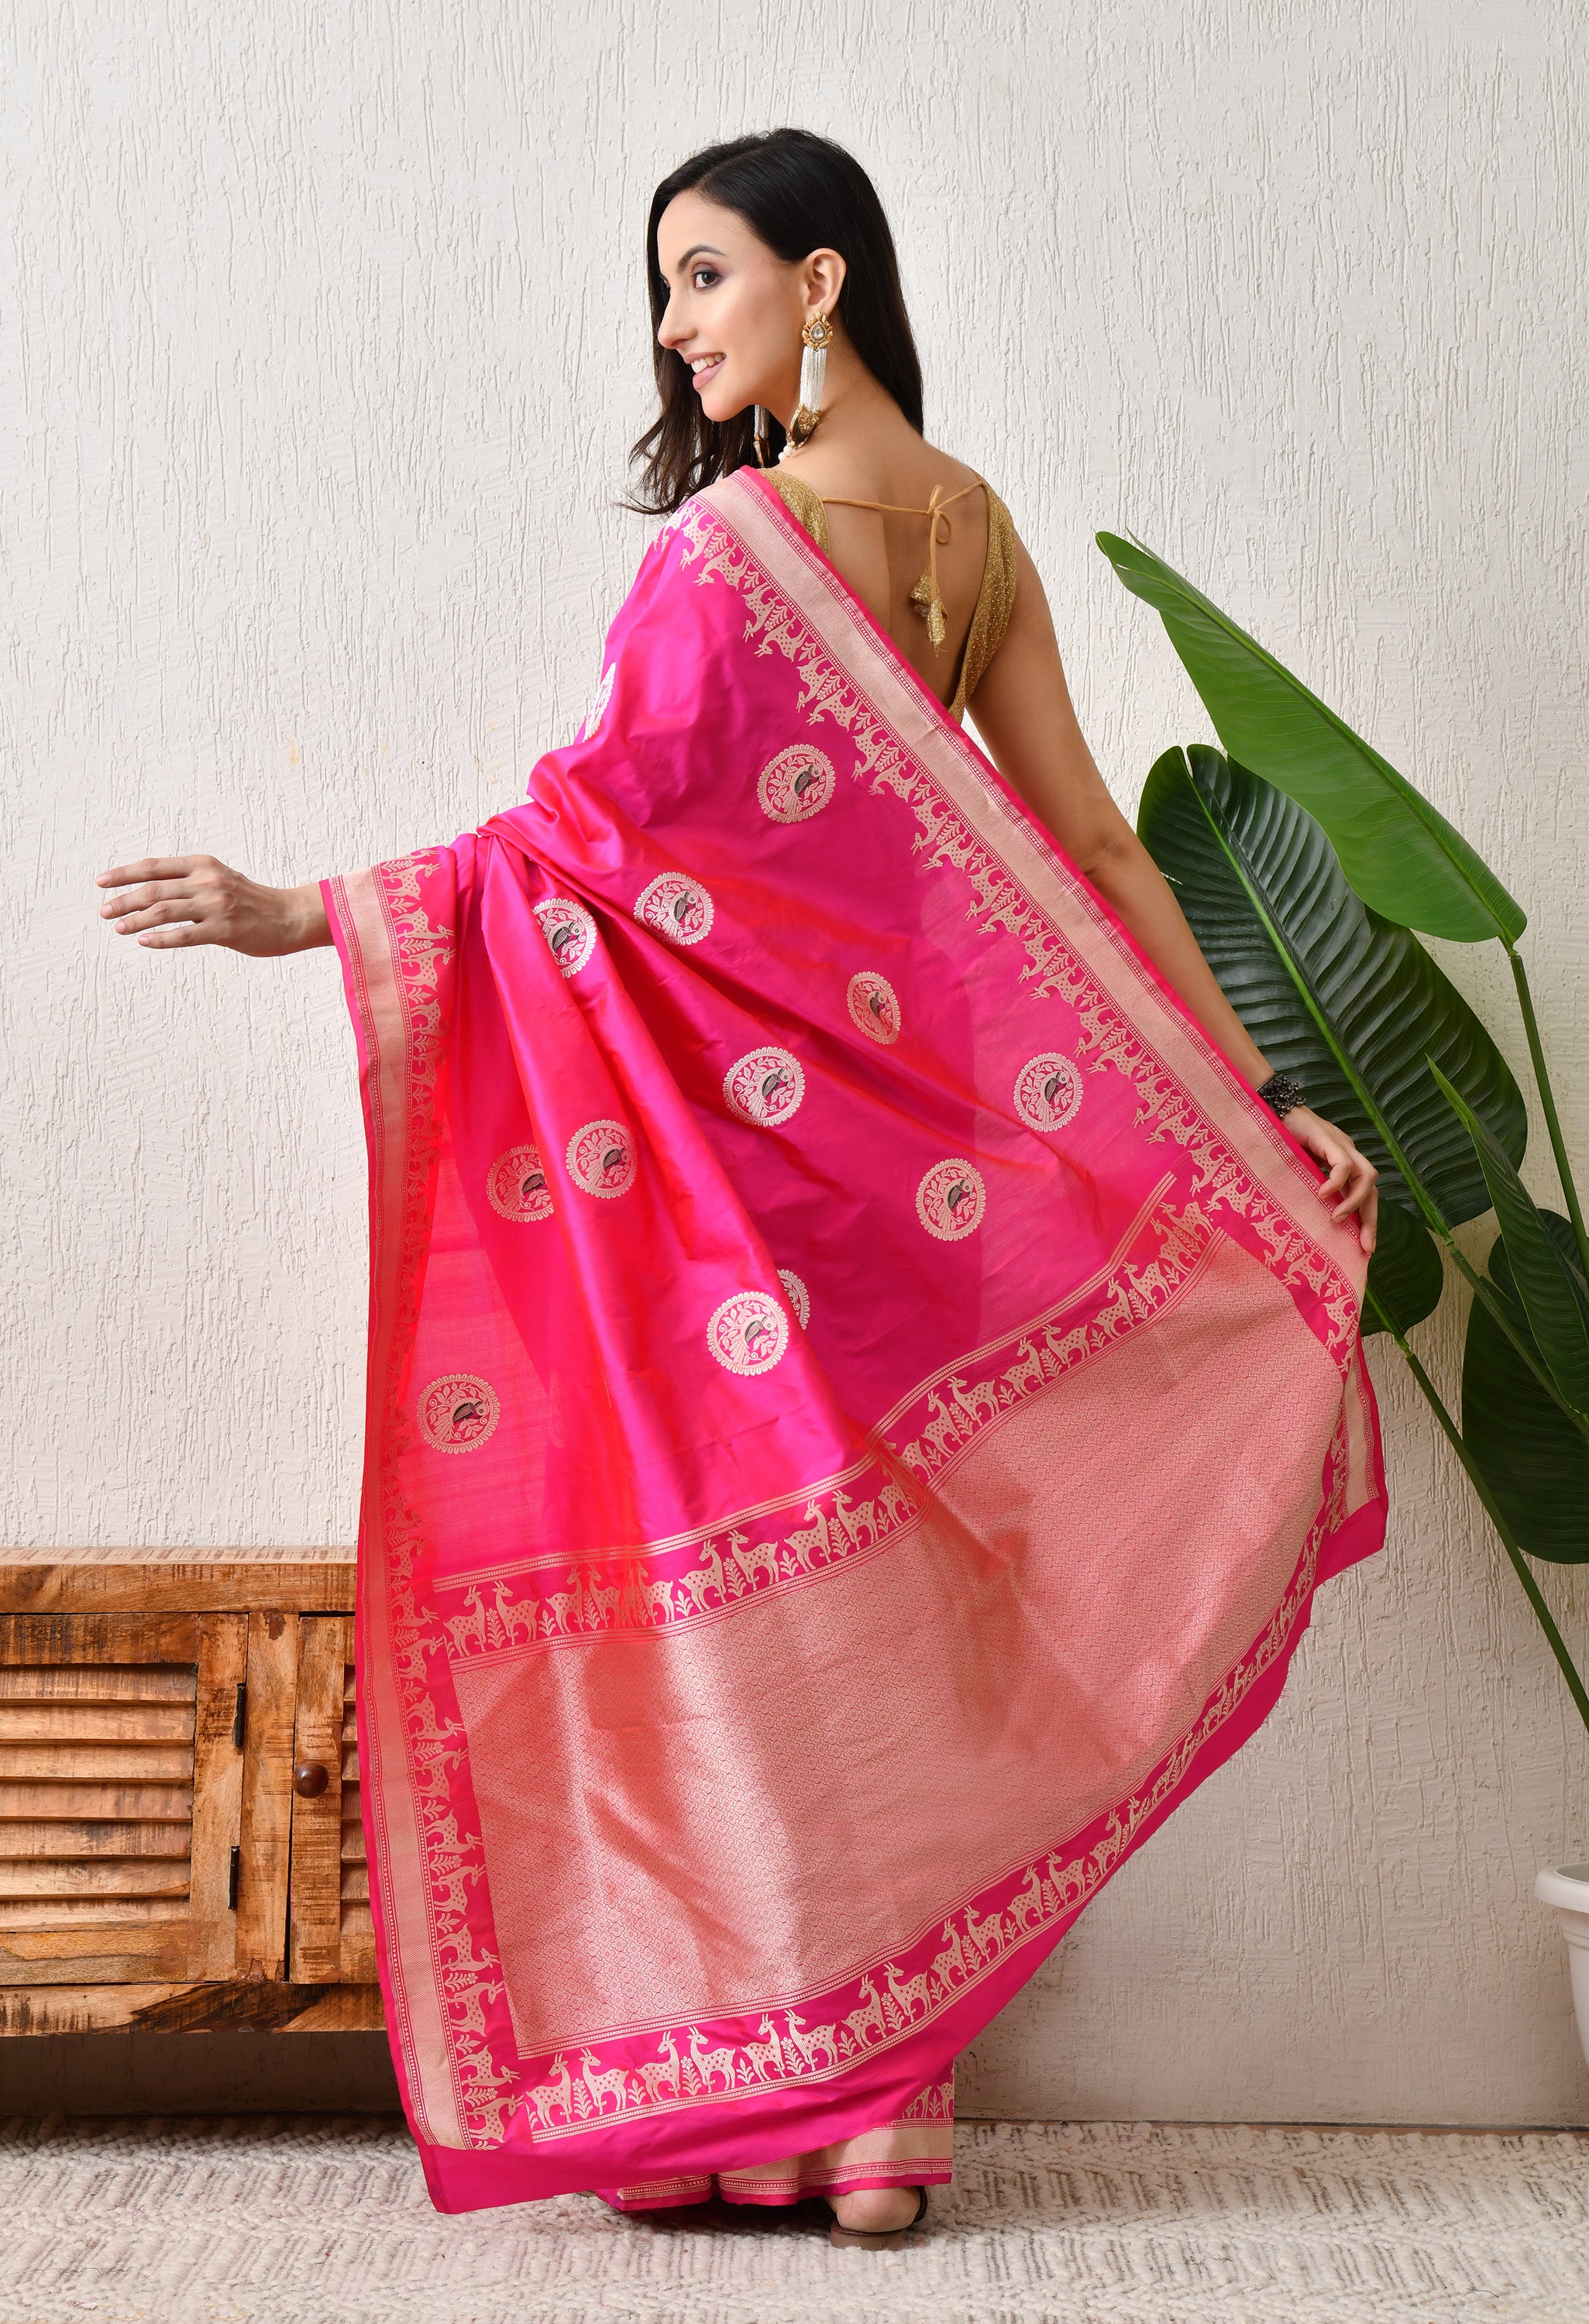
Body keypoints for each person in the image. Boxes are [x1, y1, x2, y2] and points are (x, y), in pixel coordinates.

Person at [96, 129, 1383, 2247]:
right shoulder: (971, 534)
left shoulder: (732, 555)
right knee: (883, 1609)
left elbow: (583, 854)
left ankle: (795, 2103)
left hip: (723, 1193)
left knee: (781, 1625)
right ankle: (879, 2112)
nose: (678, 329)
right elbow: (1097, 849)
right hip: (923, 1179)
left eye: (701, 279)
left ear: (819, 280)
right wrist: (1249, 1103)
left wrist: (303, 915)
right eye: (662, 295)